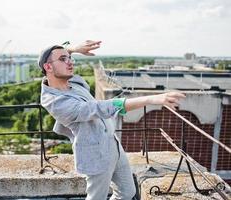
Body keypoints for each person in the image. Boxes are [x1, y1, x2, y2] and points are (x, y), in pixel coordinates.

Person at [39, 40, 186, 200]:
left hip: (112, 145)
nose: (70, 62)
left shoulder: (70, 82)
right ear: (48, 67)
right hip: (95, 154)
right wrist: (150, 99)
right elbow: (100, 109)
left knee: (127, 193)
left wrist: (73, 49)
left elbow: (56, 58)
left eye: (70, 58)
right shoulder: (54, 101)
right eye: (63, 59)